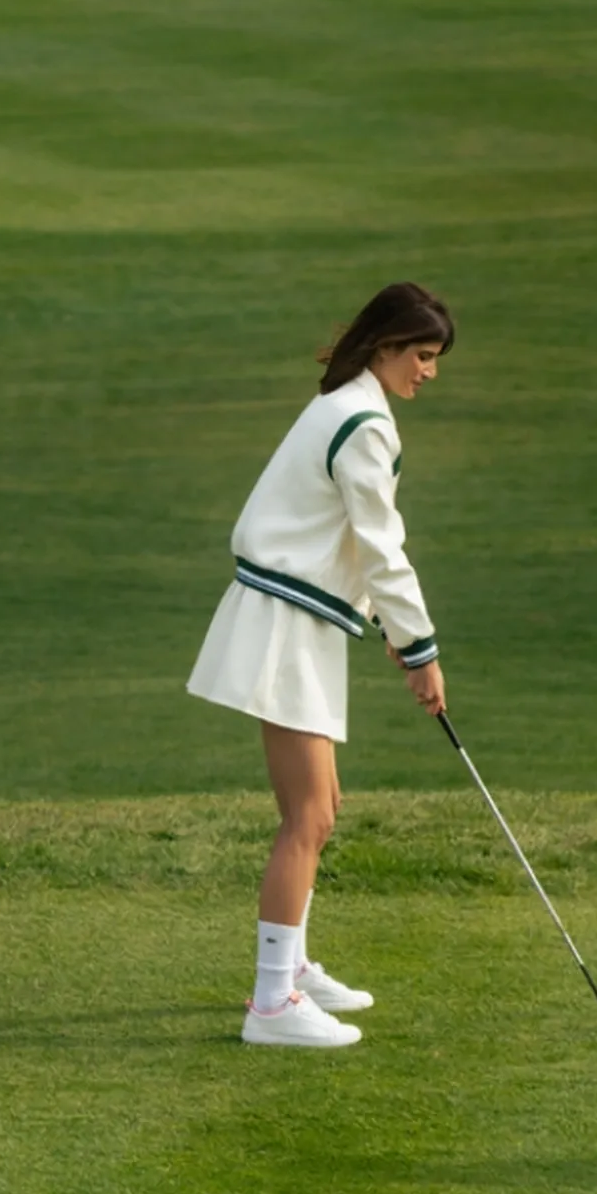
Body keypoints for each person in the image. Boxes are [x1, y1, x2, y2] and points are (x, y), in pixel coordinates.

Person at [188, 282, 452, 1049]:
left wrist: (394, 631)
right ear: (386, 346)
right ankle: (272, 1006)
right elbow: (381, 545)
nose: (429, 372)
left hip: (296, 619)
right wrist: (422, 650)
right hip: (284, 625)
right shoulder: (362, 421)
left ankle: (293, 968)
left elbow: (350, 538)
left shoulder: (346, 404)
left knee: (322, 806)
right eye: (422, 355)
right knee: (308, 817)